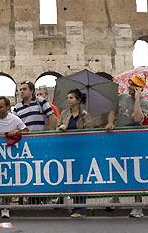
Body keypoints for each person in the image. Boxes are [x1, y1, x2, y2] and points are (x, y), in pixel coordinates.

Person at [105, 74, 148, 218]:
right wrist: (111, 122)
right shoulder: (121, 97)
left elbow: (138, 118)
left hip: (135, 140)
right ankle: (115, 196)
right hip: (119, 138)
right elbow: (112, 110)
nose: (130, 86)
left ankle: (138, 206)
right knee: (116, 167)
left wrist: (137, 99)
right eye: (130, 83)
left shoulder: (145, 103)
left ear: (140, 88)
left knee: (135, 172)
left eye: (133, 84)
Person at [57, 89, 91, 218]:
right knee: (68, 178)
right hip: (66, 150)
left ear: (78, 100)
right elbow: (57, 127)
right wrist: (61, 128)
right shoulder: (65, 113)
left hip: (80, 151)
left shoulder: (85, 115)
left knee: (80, 178)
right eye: (68, 97)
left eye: (71, 97)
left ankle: (80, 208)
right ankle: (68, 204)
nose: (68, 100)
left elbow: (89, 131)